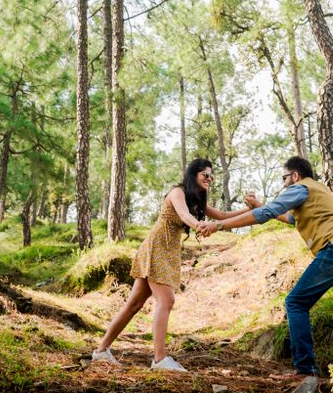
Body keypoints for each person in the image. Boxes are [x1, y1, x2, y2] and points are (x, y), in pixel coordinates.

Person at [198, 155, 333, 382]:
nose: (283, 182)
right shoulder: (320, 190)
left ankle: (305, 371)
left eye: (284, 177)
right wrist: (260, 204)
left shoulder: (300, 187)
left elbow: (265, 215)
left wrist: (219, 224)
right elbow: (291, 218)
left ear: (295, 175)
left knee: (295, 302)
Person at [91, 157, 252, 371]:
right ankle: (159, 359)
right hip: (157, 247)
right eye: (206, 175)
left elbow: (222, 215)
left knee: (134, 305)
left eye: (212, 176)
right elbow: (185, 216)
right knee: (166, 300)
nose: (209, 179)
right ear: (194, 174)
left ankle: (101, 351)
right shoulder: (177, 192)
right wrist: (199, 225)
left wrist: (249, 210)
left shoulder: (197, 199)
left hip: (167, 251)